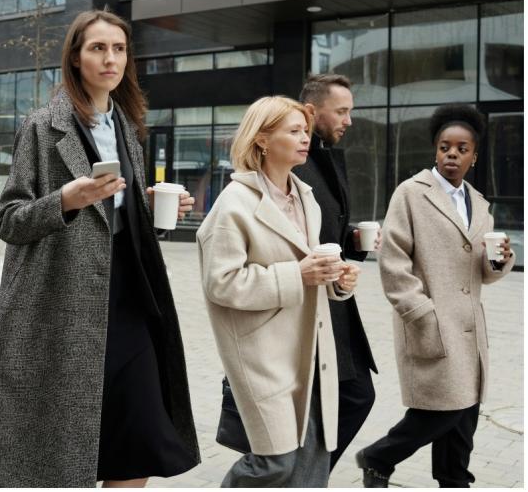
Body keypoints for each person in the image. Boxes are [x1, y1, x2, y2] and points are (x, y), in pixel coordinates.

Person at [0, 9, 200, 488]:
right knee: (61, 458)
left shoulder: (128, 129)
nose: (110, 58)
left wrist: (154, 211)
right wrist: (65, 201)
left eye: (119, 49)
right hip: (60, 310)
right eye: (98, 48)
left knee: (137, 448)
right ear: (75, 58)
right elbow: (9, 220)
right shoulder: (42, 126)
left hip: (129, 302)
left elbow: (117, 218)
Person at [197, 96, 361, 487]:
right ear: (263, 140)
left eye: (305, 130)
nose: (305, 138)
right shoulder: (233, 205)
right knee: (275, 462)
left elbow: (310, 268)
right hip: (261, 353)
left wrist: (338, 282)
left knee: (313, 462)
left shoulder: (306, 198)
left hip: (311, 348)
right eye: (293, 131)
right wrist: (298, 276)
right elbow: (221, 283)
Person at [356, 104, 514, 488]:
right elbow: (393, 262)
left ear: (474, 156)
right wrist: (420, 311)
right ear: (435, 151)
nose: (452, 155)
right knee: (441, 410)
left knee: (465, 416)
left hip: (470, 329)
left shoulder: (479, 204)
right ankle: (377, 456)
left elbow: (483, 273)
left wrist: (500, 262)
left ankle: (454, 480)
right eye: (445, 147)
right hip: (431, 323)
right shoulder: (411, 194)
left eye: (462, 149)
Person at [293, 74, 379, 469]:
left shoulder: (325, 157)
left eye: (350, 111)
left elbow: (329, 228)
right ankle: (303, 475)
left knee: (356, 396)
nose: (349, 120)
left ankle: (308, 474)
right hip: (308, 304)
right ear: (312, 112)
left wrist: (354, 240)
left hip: (337, 302)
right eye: (341, 111)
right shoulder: (294, 162)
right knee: (346, 398)